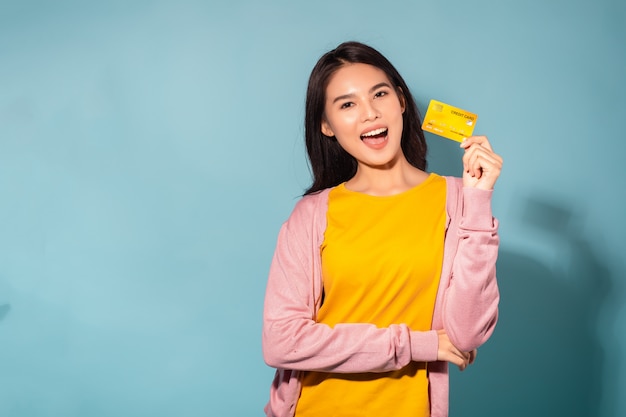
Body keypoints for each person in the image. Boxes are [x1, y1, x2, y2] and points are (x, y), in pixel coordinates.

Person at [262, 41, 502, 417]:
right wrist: (419, 345)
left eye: (379, 94)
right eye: (347, 104)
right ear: (327, 125)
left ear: (401, 101)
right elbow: (281, 342)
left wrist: (477, 201)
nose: (370, 114)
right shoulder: (311, 215)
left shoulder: (458, 201)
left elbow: (467, 334)